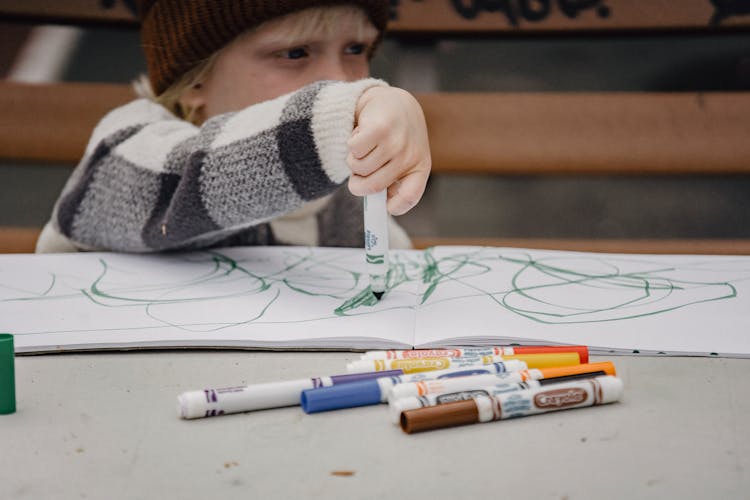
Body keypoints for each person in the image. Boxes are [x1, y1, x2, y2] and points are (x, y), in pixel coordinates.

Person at [36, 0, 431, 253]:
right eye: (295, 53)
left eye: (355, 49)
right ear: (194, 79)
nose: (339, 81)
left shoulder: (345, 195)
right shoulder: (128, 147)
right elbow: (190, 185)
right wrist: (341, 112)